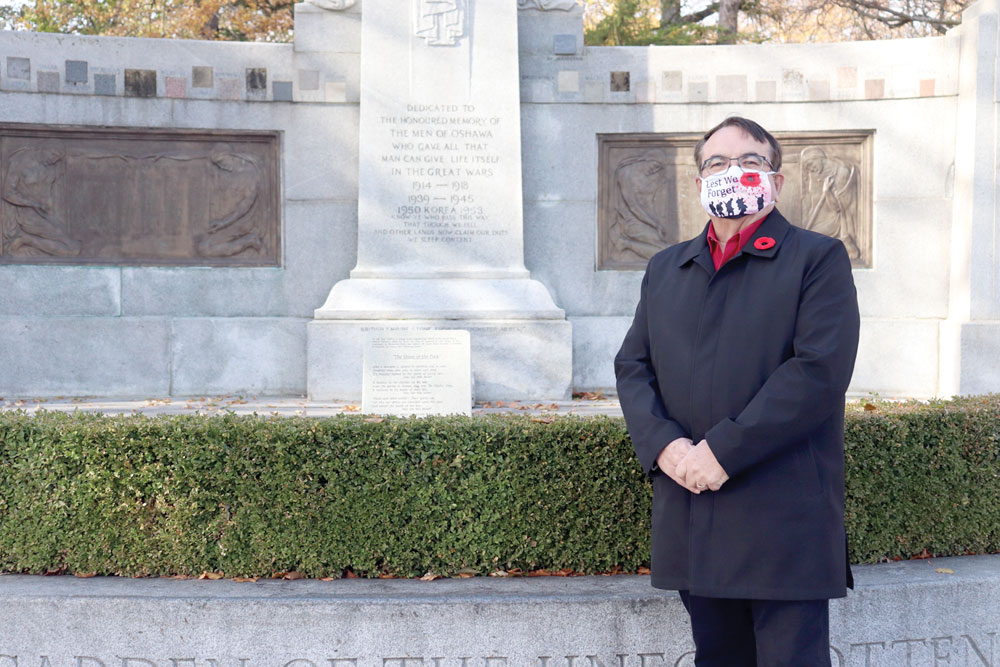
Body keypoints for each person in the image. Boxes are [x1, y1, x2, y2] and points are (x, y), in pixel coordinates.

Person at [614, 116, 860, 666]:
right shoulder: (666, 267)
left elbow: (817, 371)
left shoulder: (816, 259)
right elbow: (633, 365)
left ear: (775, 180)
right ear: (699, 182)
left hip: (781, 517)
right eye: (717, 164)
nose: (733, 173)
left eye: (750, 162)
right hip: (692, 508)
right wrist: (665, 447)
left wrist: (722, 452)